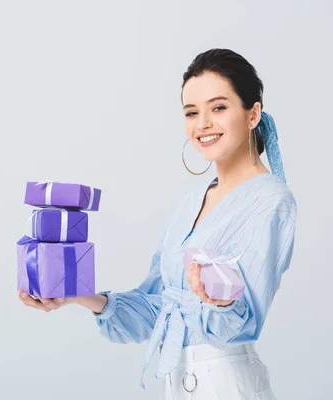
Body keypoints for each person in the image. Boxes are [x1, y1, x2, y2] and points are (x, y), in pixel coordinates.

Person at [18, 48, 296, 399]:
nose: (202, 124)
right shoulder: (191, 201)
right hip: (177, 384)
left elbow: (243, 321)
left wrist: (219, 300)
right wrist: (76, 295)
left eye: (219, 107)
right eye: (191, 112)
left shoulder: (271, 200)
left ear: (252, 113)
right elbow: (155, 310)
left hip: (228, 384)